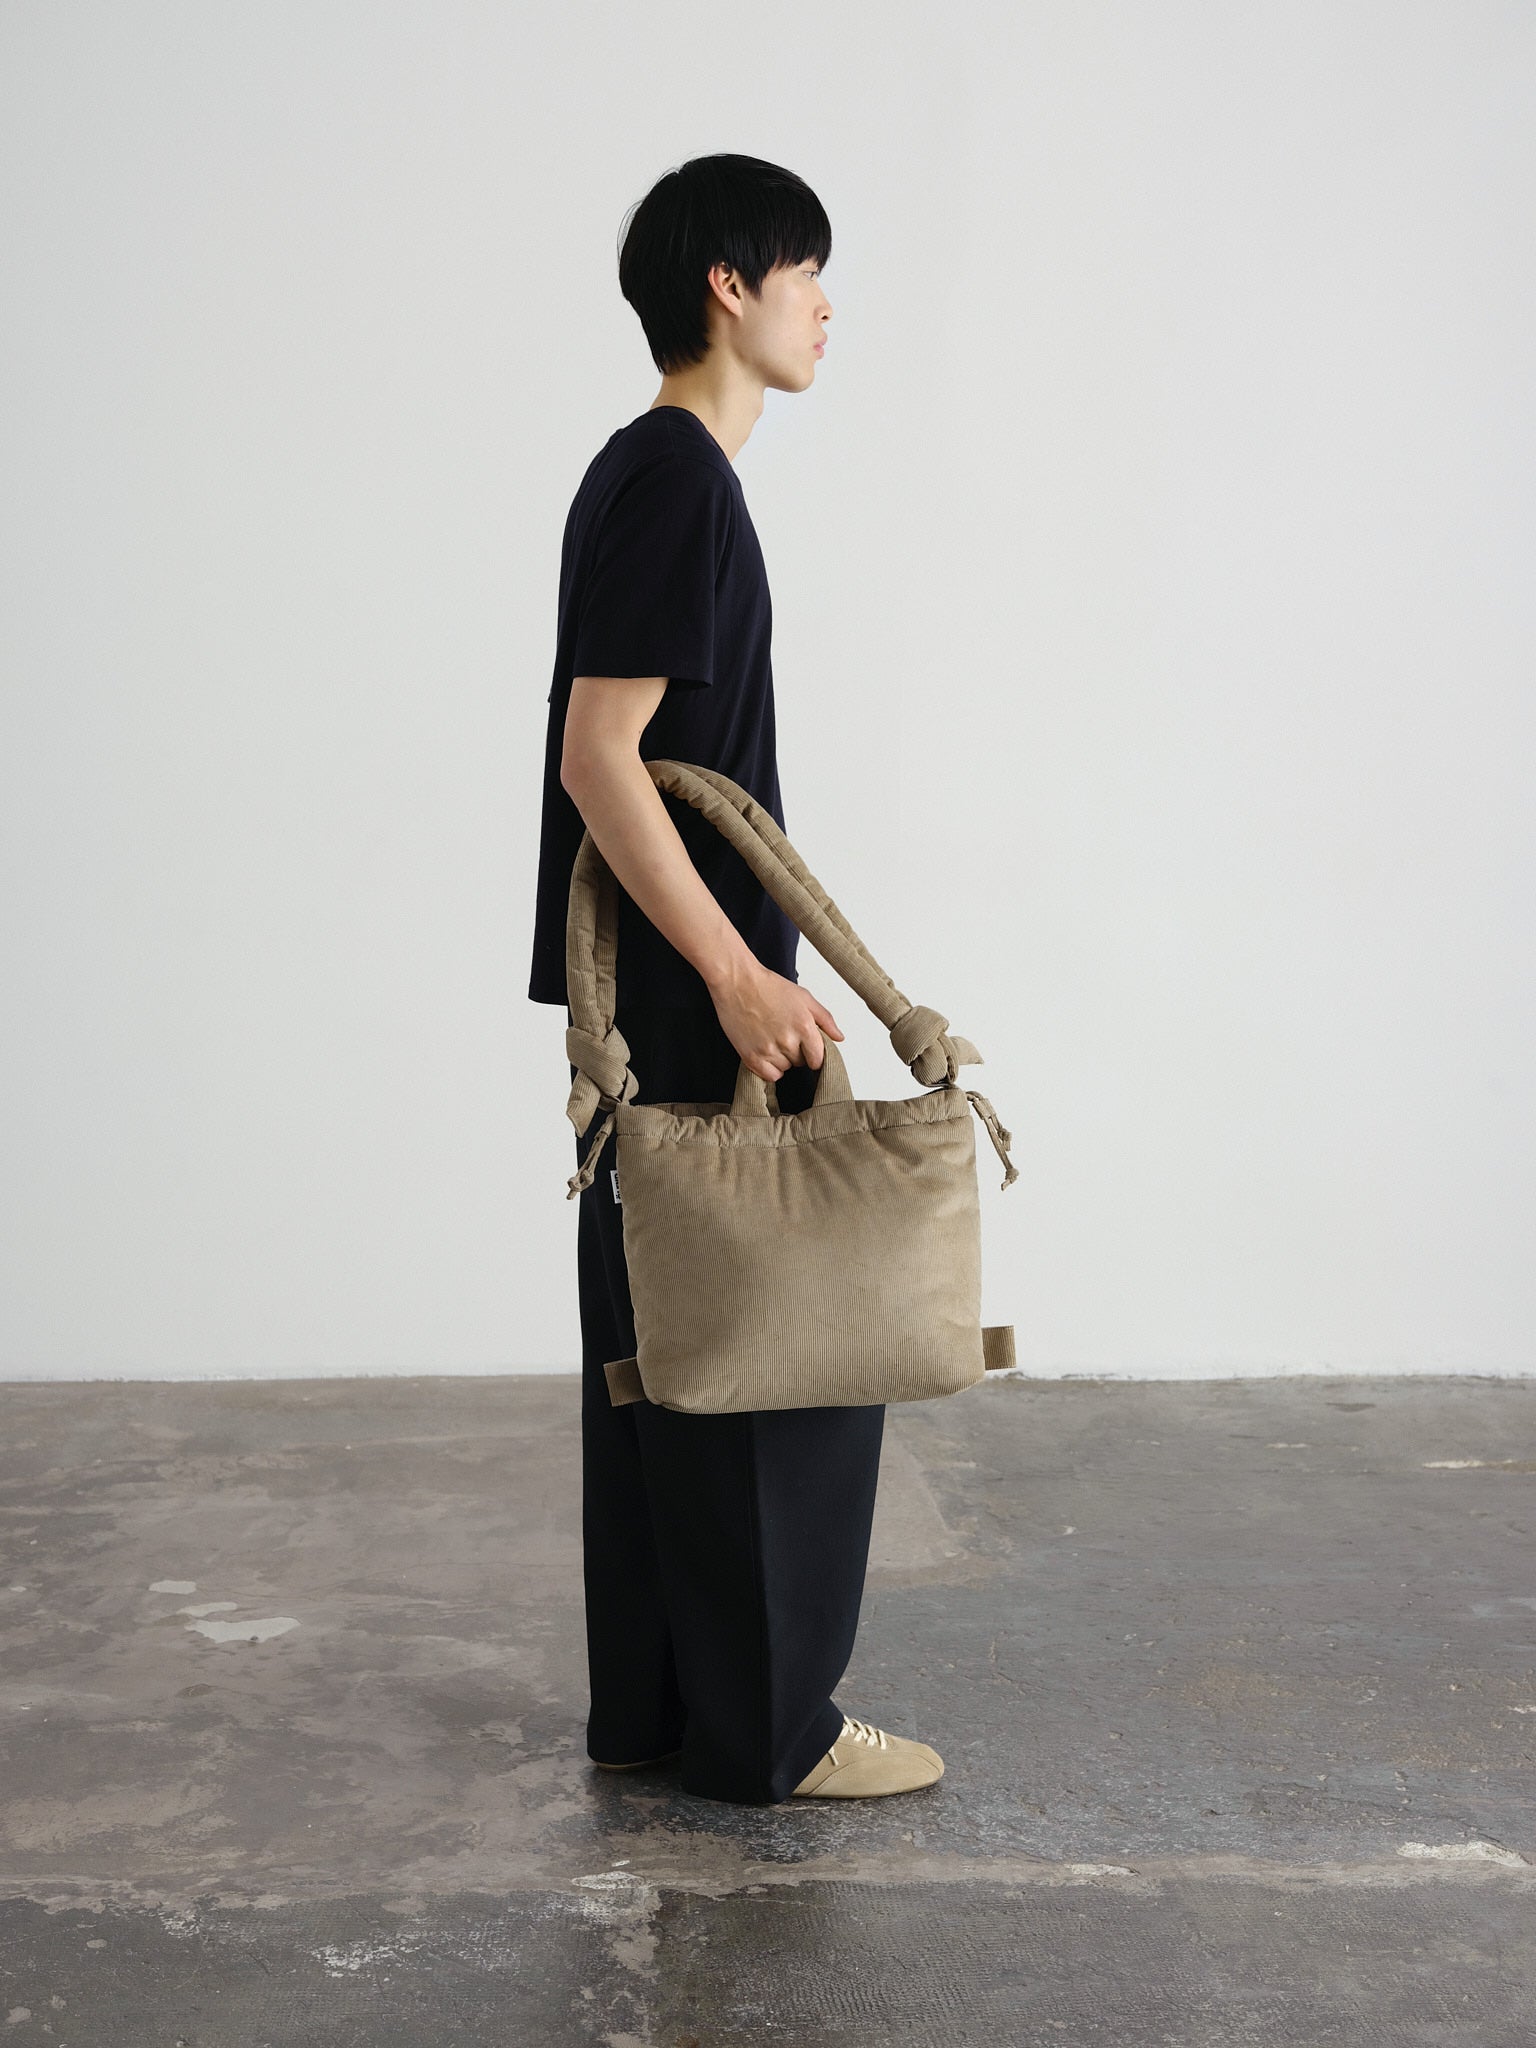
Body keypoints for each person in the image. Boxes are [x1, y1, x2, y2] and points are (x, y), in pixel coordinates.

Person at [527, 153, 943, 1803]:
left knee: (661, 1360)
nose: (825, 304)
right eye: (806, 271)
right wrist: (739, 976)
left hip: (645, 991)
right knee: (783, 1363)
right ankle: (772, 1733)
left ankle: (660, 1713)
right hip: (693, 989)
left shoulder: (640, 475)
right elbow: (603, 757)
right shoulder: (680, 481)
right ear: (729, 284)